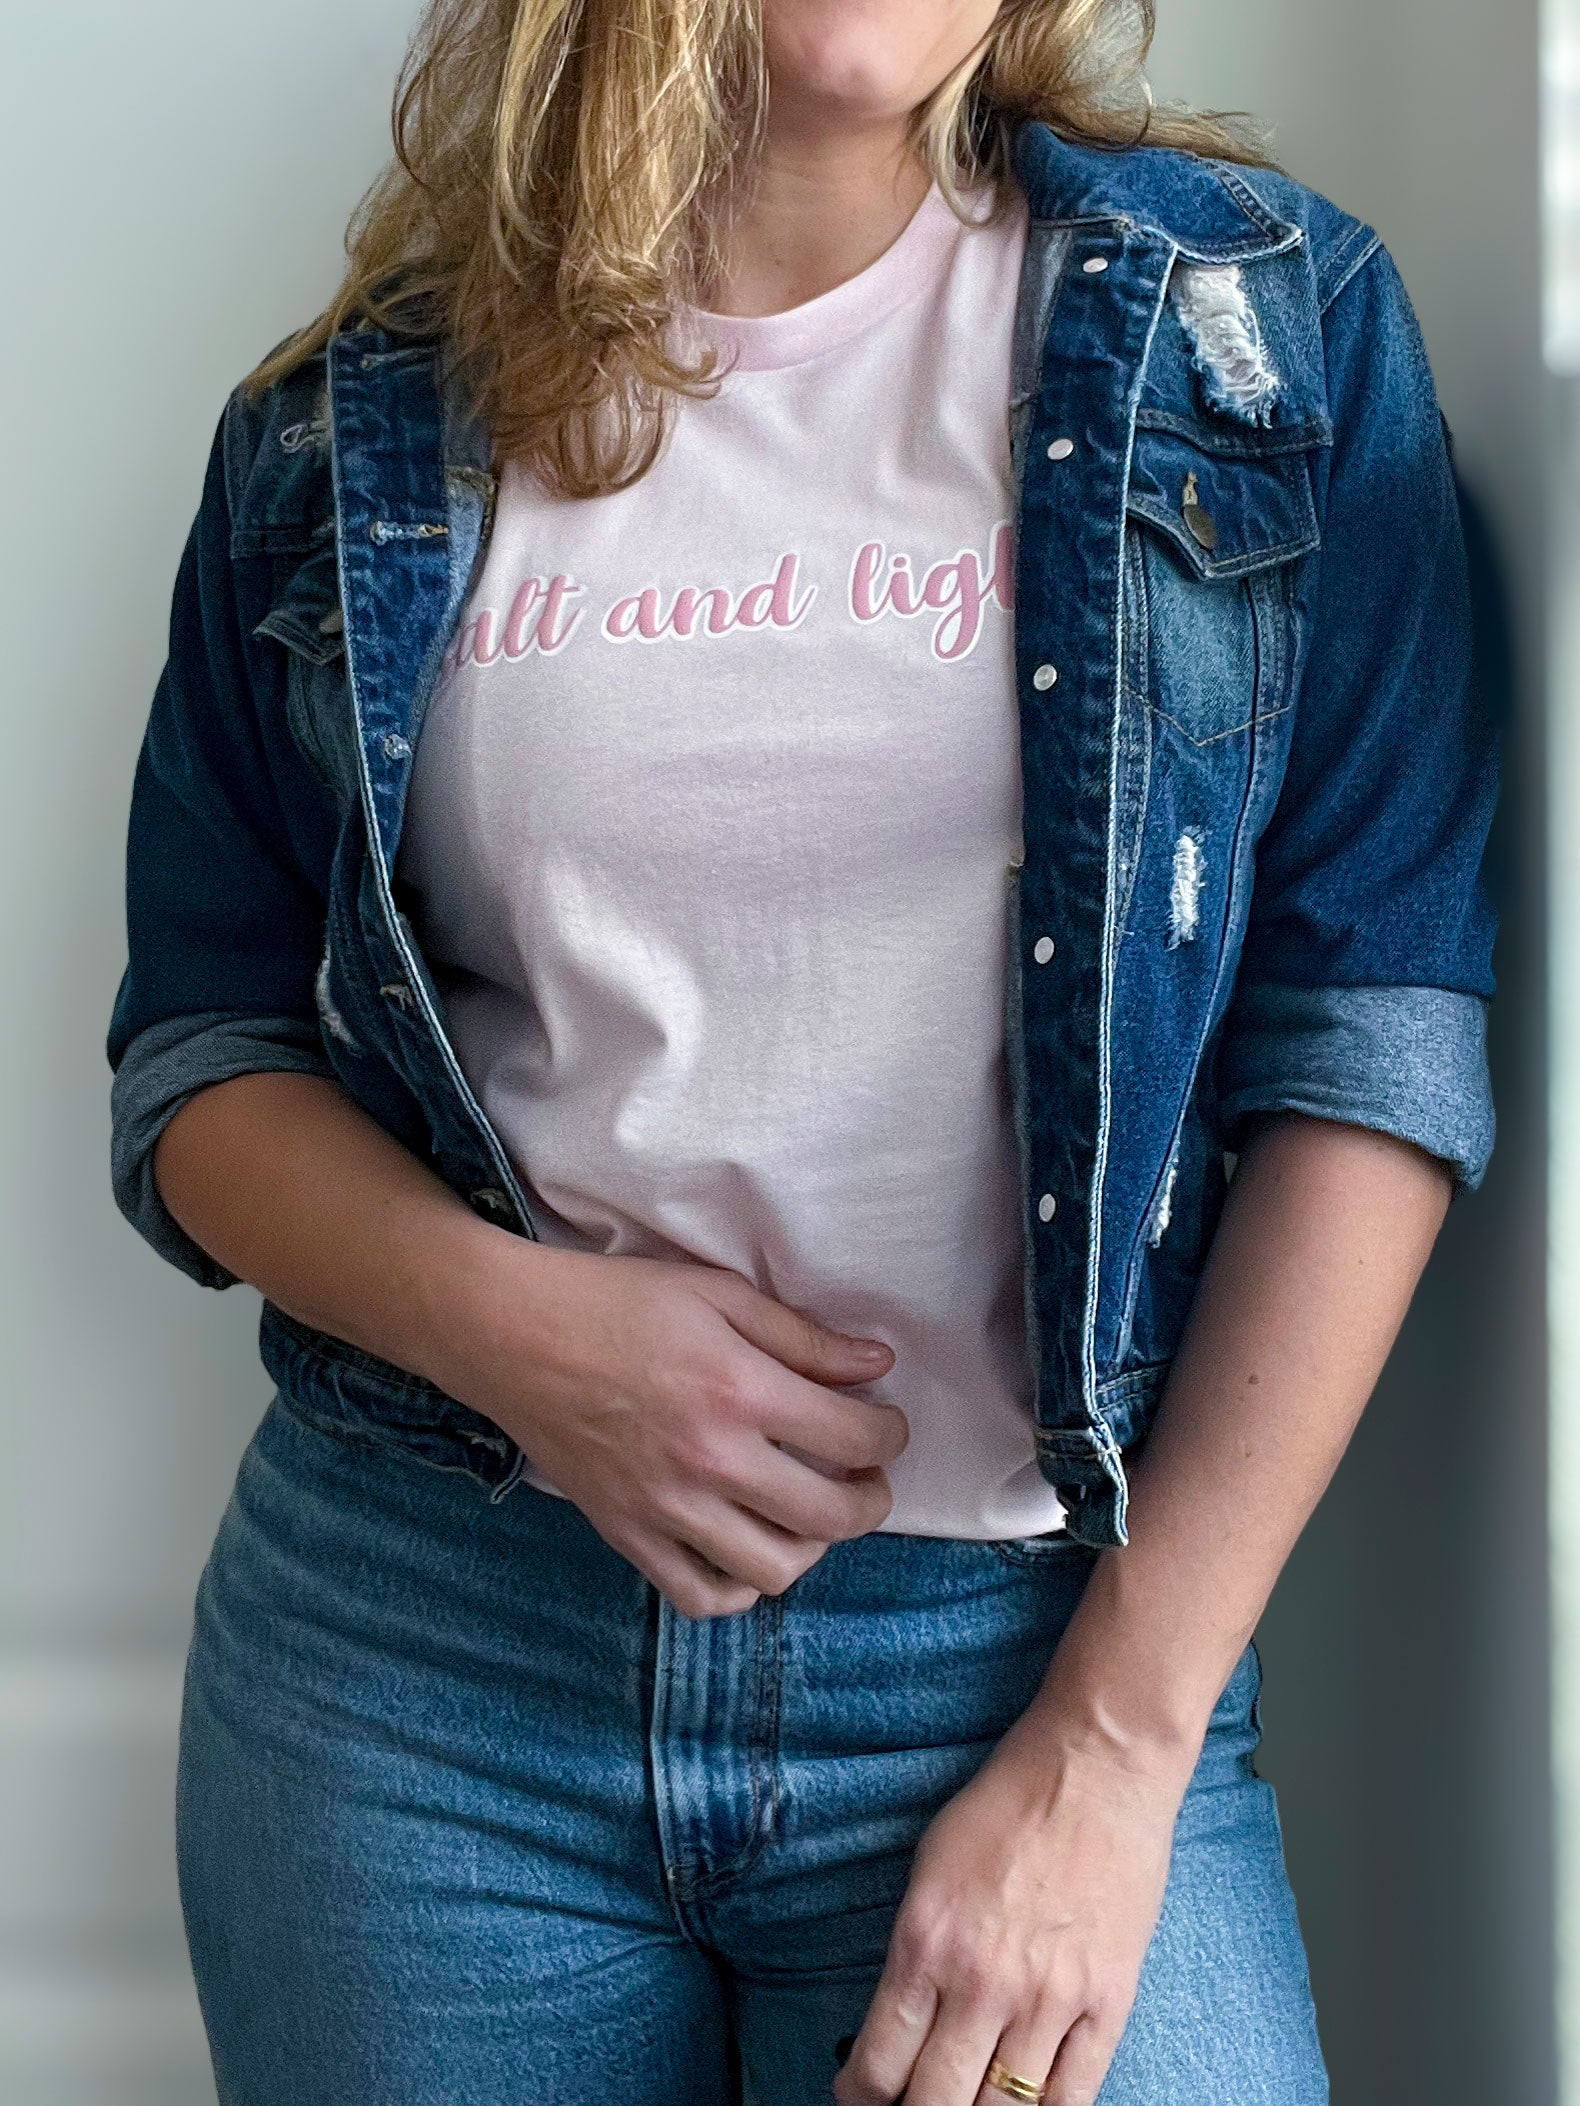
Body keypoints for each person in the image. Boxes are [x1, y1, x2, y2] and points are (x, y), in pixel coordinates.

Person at [105, 2, 1498, 2102]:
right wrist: (526, 1336)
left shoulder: (1266, 338)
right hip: (424, 1676)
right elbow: (199, 1058)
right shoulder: (350, 421)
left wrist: (1113, 1750)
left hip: (1035, 1663)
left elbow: (1369, 1049)